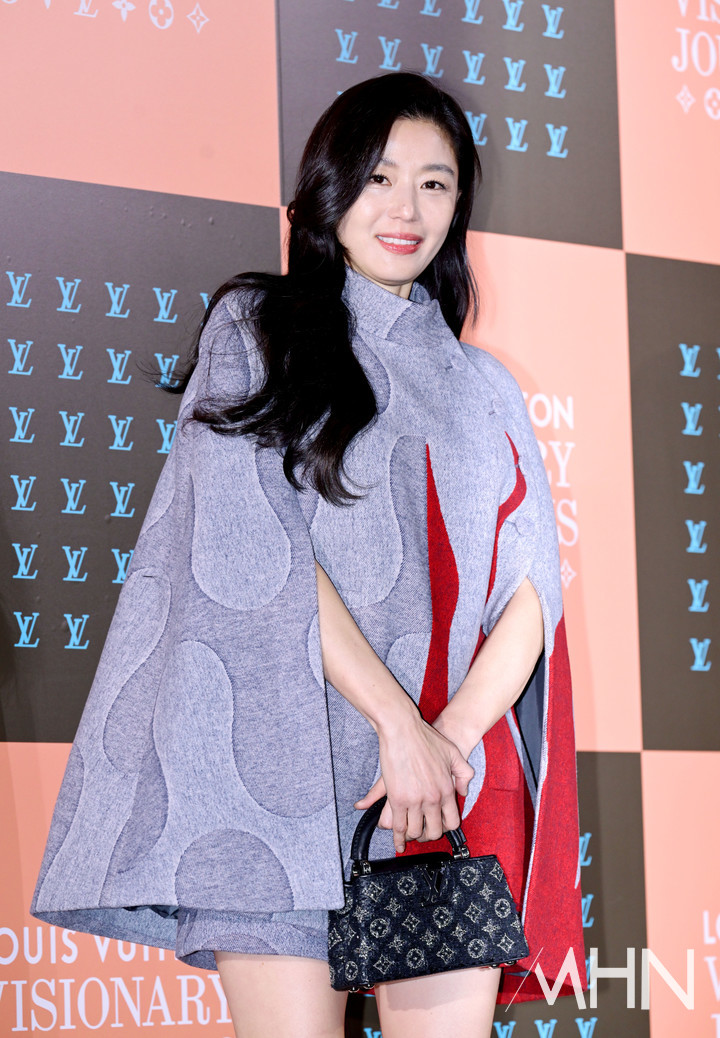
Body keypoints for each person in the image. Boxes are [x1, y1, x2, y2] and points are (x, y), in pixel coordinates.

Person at [31, 72, 585, 1037]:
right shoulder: (261, 330)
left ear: (460, 205)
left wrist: (444, 744)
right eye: (379, 178)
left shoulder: (486, 386)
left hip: (440, 795)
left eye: (435, 184)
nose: (406, 209)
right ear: (330, 190)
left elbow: (533, 590)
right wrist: (397, 727)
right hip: (277, 776)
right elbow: (251, 553)